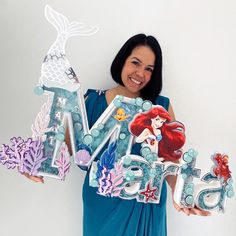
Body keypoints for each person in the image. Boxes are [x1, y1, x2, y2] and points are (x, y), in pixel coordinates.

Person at [25, 33, 210, 236]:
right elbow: (64, 148)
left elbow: (170, 162)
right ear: (122, 61)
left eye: (149, 69)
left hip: (145, 203)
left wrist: (181, 191)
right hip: (101, 203)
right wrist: (36, 164)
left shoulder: (161, 107)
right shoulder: (91, 102)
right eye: (135, 63)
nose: (140, 73)